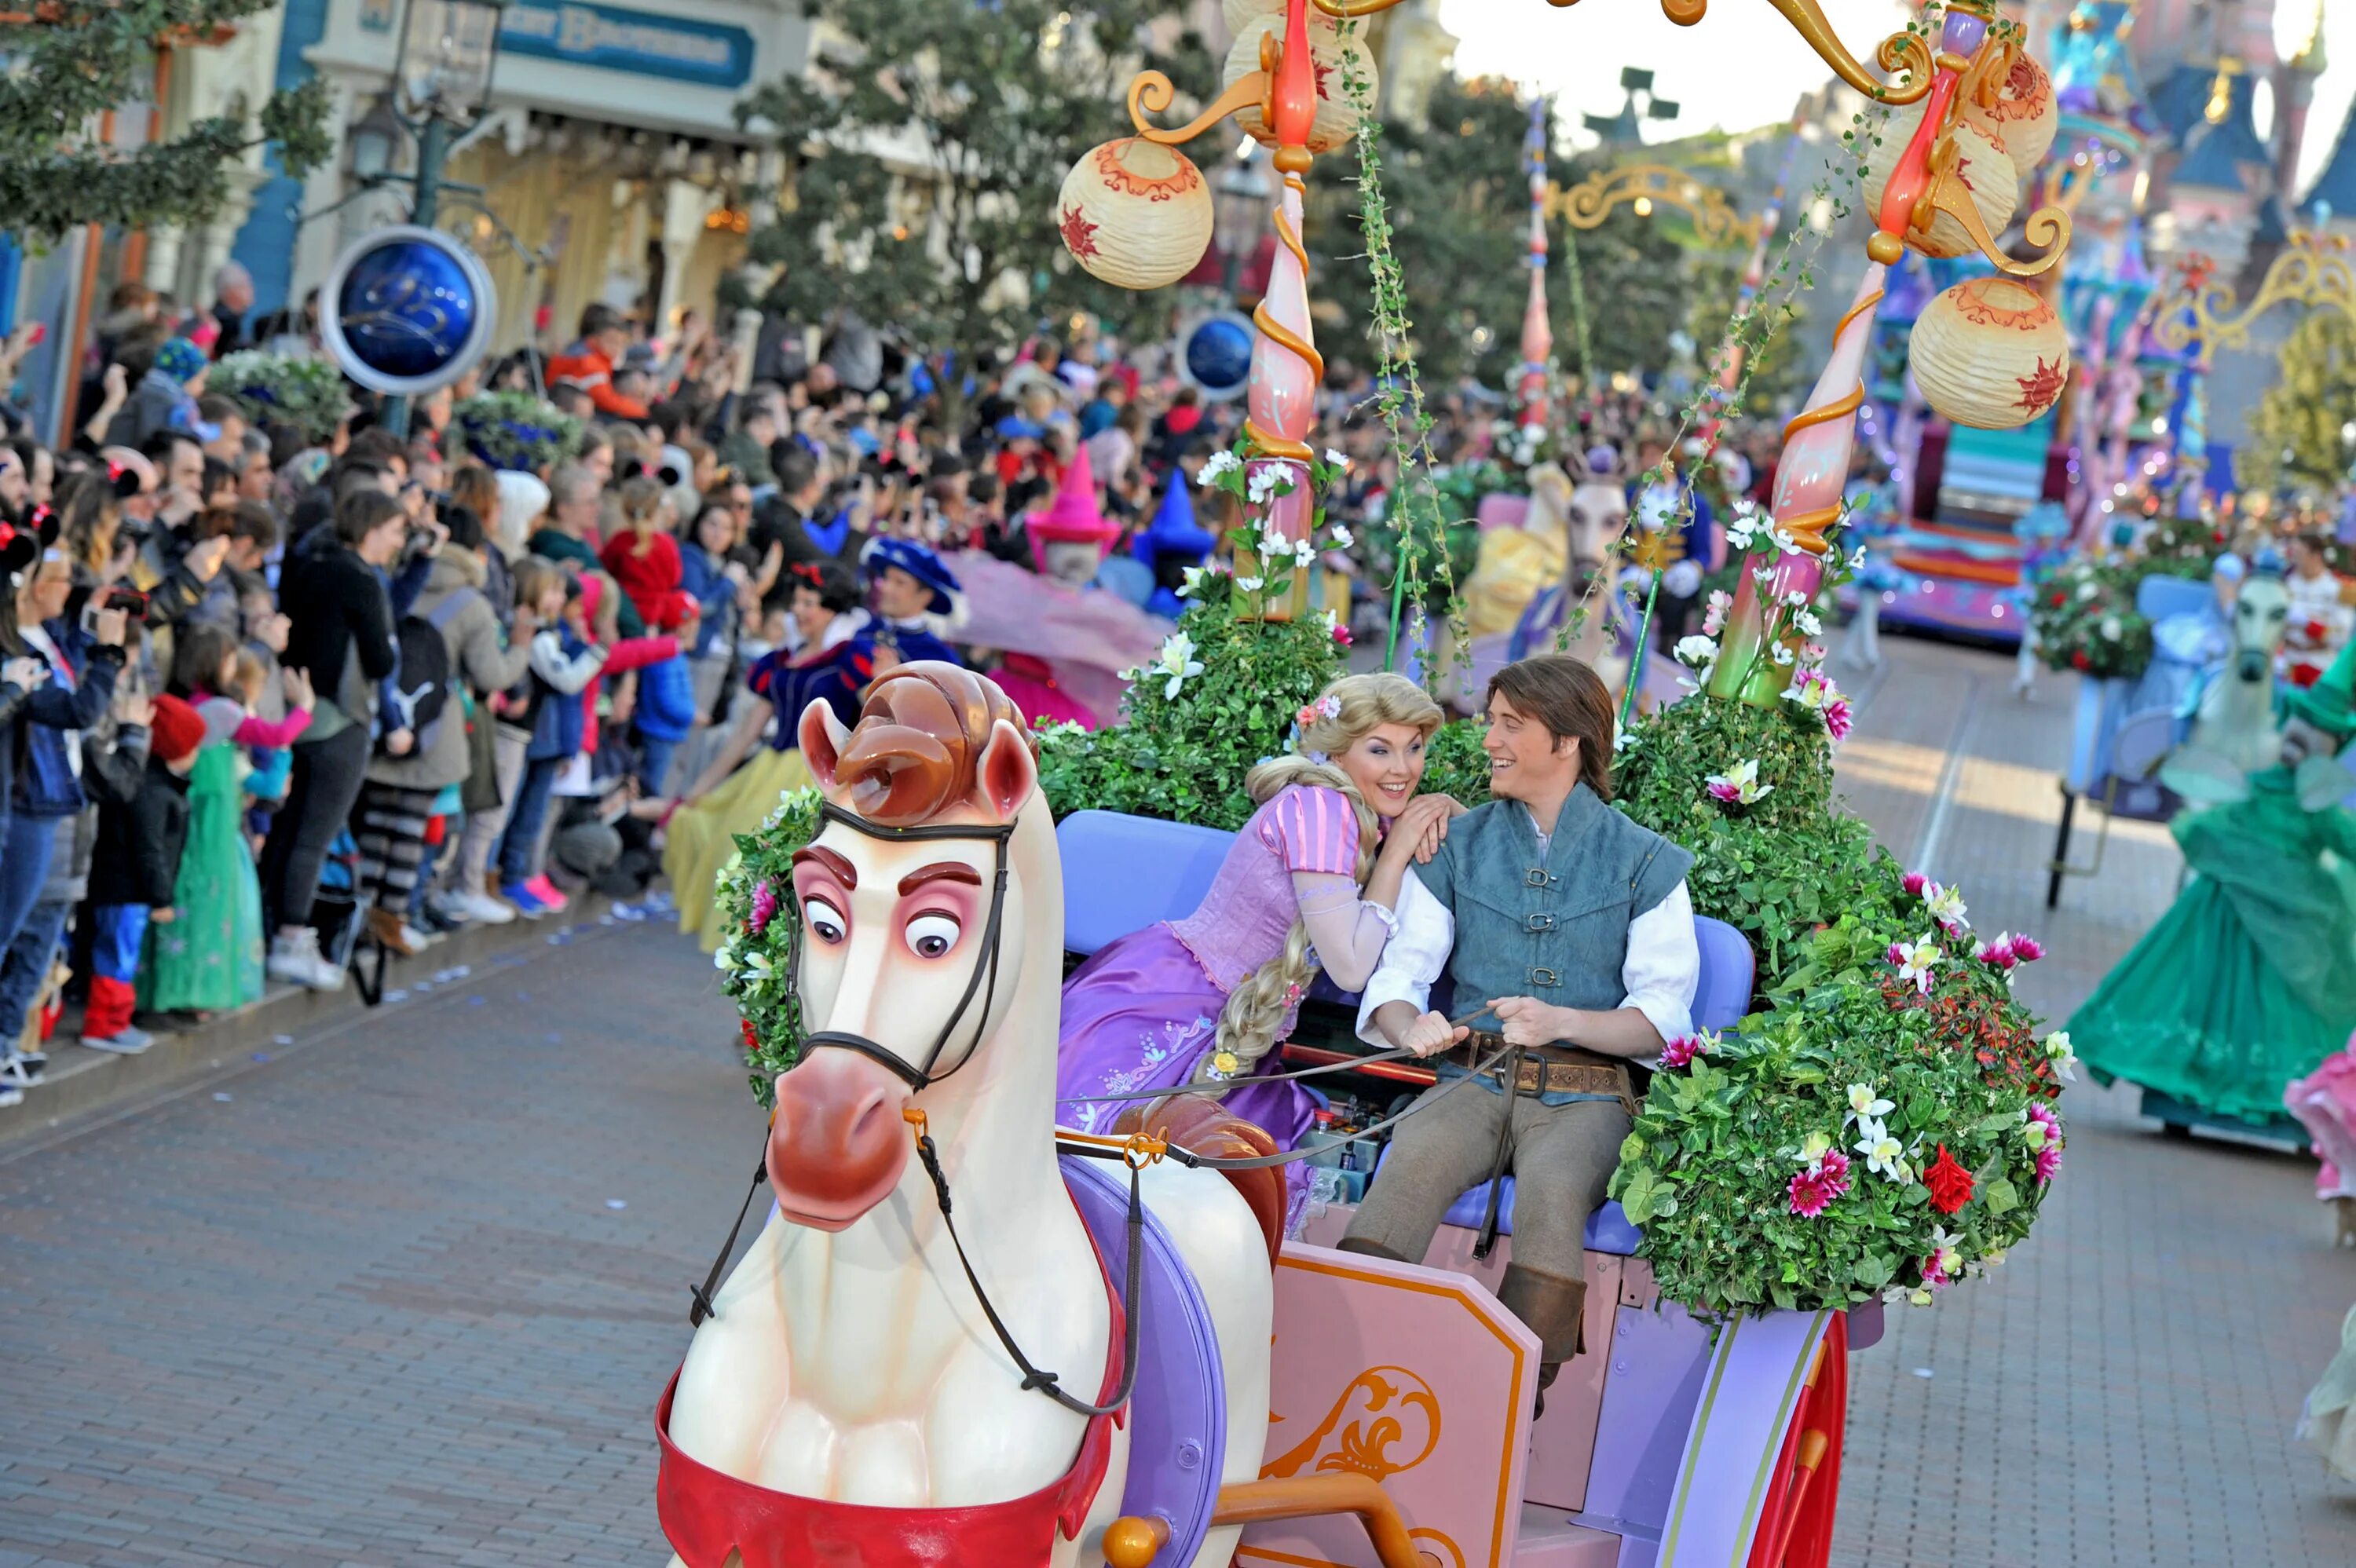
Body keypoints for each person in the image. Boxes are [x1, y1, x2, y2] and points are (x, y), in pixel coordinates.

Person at [1338, 654, 1699, 1400]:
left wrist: (1566, 1019)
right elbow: (1397, 982)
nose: (1489, 740)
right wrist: (1412, 1028)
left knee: (1554, 1191)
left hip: (1589, 1097)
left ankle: (1512, 1397)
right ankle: (1348, 1362)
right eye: (1491, 721)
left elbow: (1662, 1021)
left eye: (1511, 724)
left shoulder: (1648, 863)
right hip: (1471, 1078)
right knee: (1409, 1163)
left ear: (1567, 742)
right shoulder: (1456, 846)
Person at [1058, 673, 1454, 1155]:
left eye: (1414, 748)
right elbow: (1350, 969)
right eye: (1380, 750)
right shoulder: (1320, 810)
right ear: (1336, 751)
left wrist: (1444, 809)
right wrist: (1397, 856)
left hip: (1241, 1026)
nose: (1403, 768)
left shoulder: (1360, 809)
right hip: (1175, 1006)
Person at [2069, 638, 2356, 1125]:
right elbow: (2210, 823)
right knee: (2205, 987)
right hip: (2224, 911)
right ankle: (2192, 1086)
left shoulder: (2320, 809)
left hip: (2295, 925)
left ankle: (2282, 1098)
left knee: (2281, 1003)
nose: (2304, 736)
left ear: (2331, 749)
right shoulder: (2261, 785)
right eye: (2302, 723)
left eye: (2320, 733)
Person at [665, 558, 873, 949]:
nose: (799, 610)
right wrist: (703, 786)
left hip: (819, 778)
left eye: (809, 602)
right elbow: (746, 734)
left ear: (832, 610)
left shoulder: (850, 658)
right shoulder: (781, 661)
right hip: (768, 772)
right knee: (736, 852)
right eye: (798, 601)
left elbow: (874, 717)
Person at [261, 489, 408, 990]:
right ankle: (293, 936)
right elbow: (382, 661)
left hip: (297, 712)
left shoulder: (309, 566)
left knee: (287, 827)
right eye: (394, 530)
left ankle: (268, 927)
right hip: (341, 721)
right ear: (371, 530)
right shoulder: (361, 579)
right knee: (315, 834)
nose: (398, 542)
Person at [143, 627, 299, 1012]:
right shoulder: (222, 711)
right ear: (218, 663)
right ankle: (196, 991)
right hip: (211, 824)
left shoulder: (188, 705)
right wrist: (305, 706)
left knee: (183, 894)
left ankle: (166, 986)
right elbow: (278, 735)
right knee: (207, 902)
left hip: (193, 815)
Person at [84, 693, 205, 1051]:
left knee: (120, 954)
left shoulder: (155, 785)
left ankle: (112, 1022)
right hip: (126, 890)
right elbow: (149, 851)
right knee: (118, 956)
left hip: (127, 890)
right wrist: (161, 896)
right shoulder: (152, 792)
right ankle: (105, 1025)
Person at [545, 303, 650, 422]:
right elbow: (608, 401)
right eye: (612, 341)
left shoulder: (598, 360)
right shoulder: (590, 363)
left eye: (621, 344)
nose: (616, 348)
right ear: (595, 339)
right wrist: (642, 412)